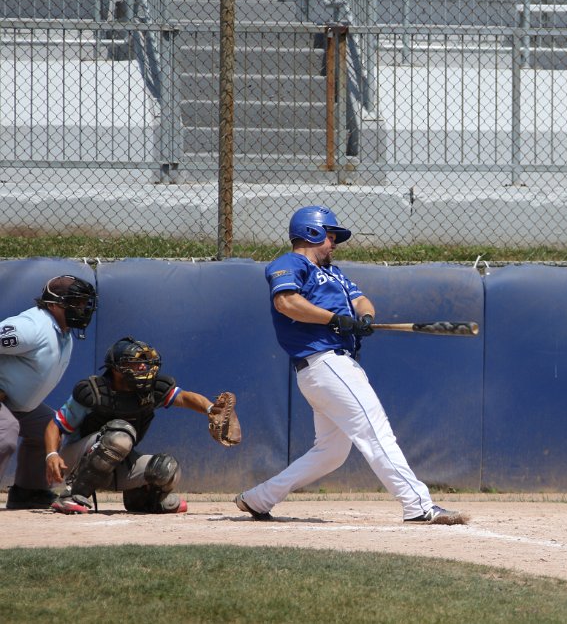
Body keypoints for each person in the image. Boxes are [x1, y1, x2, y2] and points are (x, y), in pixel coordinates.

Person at [234, 205, 467, 525]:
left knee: (331, 453)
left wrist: (364, 317)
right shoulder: (290, 263)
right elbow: (286, 302)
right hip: (325, 361)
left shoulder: (335, 273)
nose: (334, 243)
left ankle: (258, 498)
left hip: (333, 367)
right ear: (311, 233)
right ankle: (418, 505)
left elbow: (360, 301)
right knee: (375, 428)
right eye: (330, 236)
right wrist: (333, 319)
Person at [44, 336, 221, 514]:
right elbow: (55, 425)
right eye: (135, 362)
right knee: (120, 435)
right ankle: (72, 495)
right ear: (116, 368)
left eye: (145, 362)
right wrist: (51, 455)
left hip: (116, 463)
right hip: (75, 460)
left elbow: (184, 397)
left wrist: (211, 409)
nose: (143, 366)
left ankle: (142, 501)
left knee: (166, 468)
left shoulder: (151, 389)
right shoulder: (94, 392)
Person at [0, 275, 97, 509]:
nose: (82, 309)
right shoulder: (31, 327)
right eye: (75, 302)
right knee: (5, 432)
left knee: (49, 428)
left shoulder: (63, 331)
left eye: (84, 303)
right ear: (53, 304)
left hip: (15, 403)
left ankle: (28, 492)